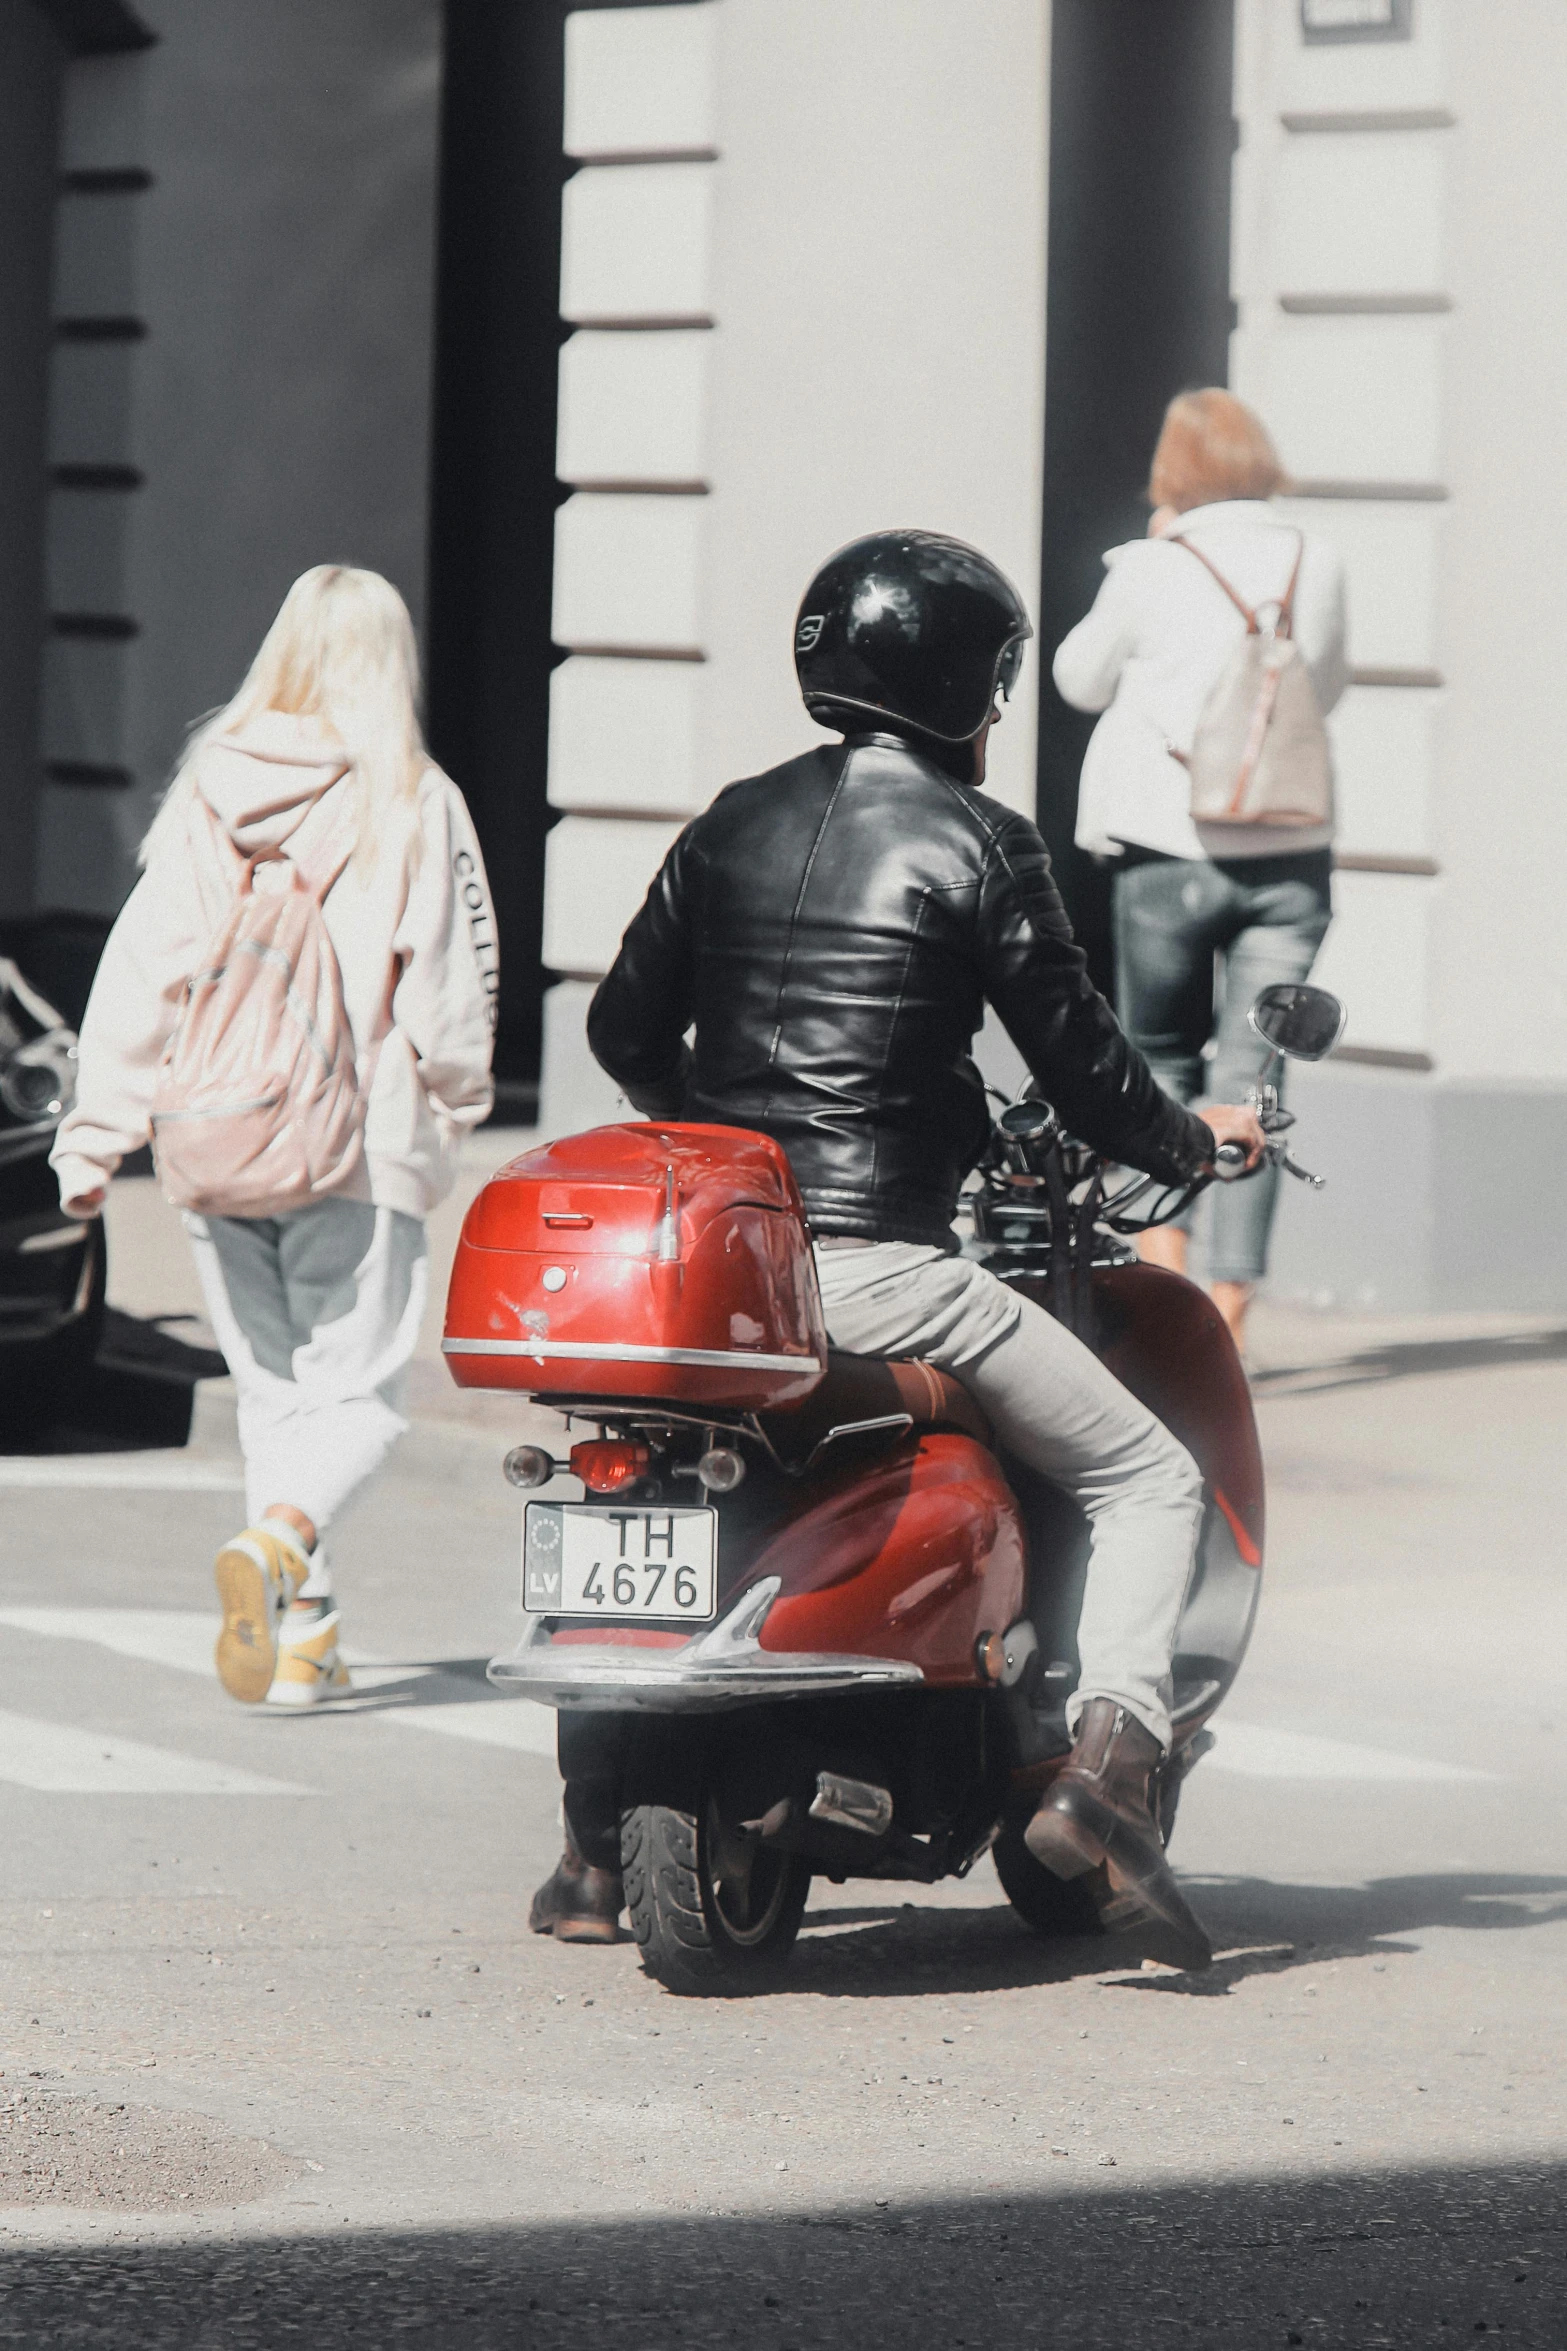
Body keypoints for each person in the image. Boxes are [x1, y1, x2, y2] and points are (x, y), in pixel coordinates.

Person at [528, 529, 1264, 1970]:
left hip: (721, 1278)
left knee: (651, 1487)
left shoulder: (729, 819)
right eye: (994, 684)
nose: (997, 713)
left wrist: (729, 1137)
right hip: (881, 1268)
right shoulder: (979, 842)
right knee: (1142, 1474)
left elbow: (622, 1028)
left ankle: (586, 1855)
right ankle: (1107, 1781)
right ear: (958, 683)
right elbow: (1084, 1073)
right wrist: (1191, 1143)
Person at [50, 565, 498, 1709]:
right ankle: (283, 1543)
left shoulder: (209, 787)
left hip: (211, 1137)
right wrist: (460, 1090)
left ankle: (305, 1640)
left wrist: (95, 1139)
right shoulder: (414, 794)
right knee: (358, 1398)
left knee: (276, 1394)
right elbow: (448, 982)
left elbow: (139, 968)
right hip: (356, 1139)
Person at [1054, 388, 1349, 1351]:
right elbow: (1326, 688)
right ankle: (1231, 1308)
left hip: (1167, 845)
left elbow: (1076, 680)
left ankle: (1164, 1290)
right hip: (1288, 850)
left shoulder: (1151, 565)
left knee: (1160, 1063)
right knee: (1257, 1083)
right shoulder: (1318, 556)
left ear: (1175, 470)